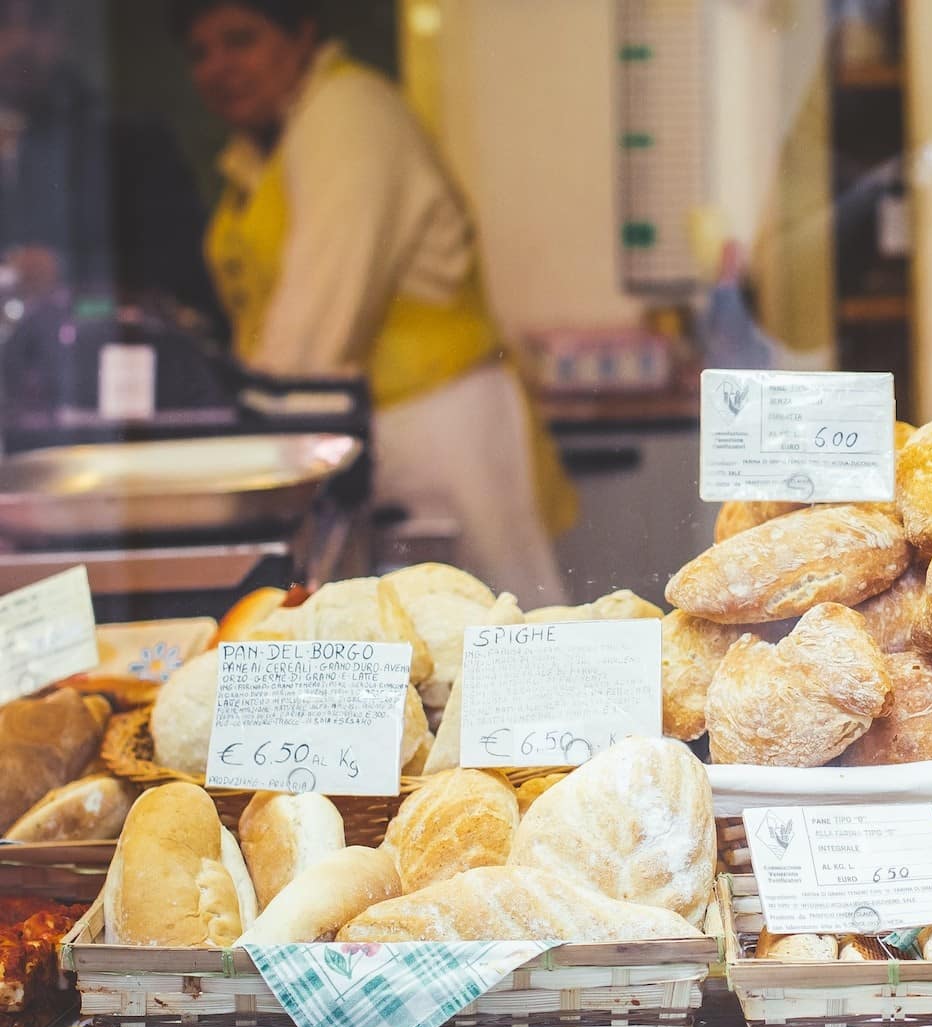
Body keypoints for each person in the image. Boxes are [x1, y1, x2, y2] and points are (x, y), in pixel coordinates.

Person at [170, 0, 576, 602]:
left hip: (437, 428)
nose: (220, 66)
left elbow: (319, 315)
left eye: (241, 40)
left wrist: (252, 453)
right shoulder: (268, 145)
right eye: (202, 52)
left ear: (301, 36)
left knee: (508, 627)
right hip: (366, 428)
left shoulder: (346, 114)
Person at [0, 0, 217, 311]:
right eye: (3, 22)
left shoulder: (131, 144)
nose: (20, 41)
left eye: (38, 21)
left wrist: (67, 273)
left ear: (62, 33)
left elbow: (185, 275)